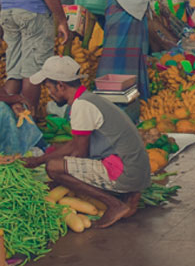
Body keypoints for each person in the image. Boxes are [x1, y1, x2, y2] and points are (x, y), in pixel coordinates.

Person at [24, 56, 151, 229]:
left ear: (60, 85)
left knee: (54, 168)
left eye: (49, 88)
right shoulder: (89, 98)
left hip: (126, 171)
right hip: (137, 169)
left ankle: (115, 205)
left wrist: (54, 176)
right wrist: (38, 160)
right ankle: (126, 196)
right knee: (56, 164)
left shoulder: (81, 106)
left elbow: (79, 153)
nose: (49, 93)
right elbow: (76, 143)